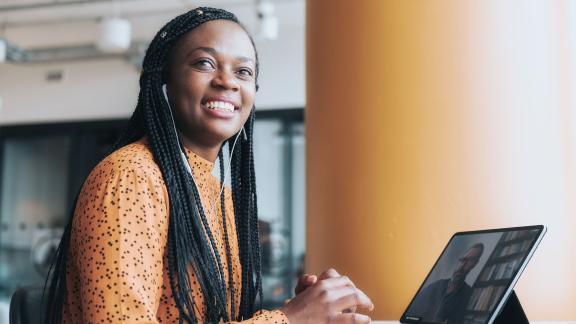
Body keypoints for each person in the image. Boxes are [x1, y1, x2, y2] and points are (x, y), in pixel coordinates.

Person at [44, 7, 374, 324]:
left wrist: (304, 310)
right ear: (165, 84)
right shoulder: (131, 177)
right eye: (205, 63)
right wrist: (288, 320)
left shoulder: (220, 196)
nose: (227, 82)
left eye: (243, 71)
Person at [408, 243, 484, 324]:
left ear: (475, 264)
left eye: (470, 260)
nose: (462, 265)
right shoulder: (437, 285)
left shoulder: (468, 293)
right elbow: (411, 312)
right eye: (463, 259)